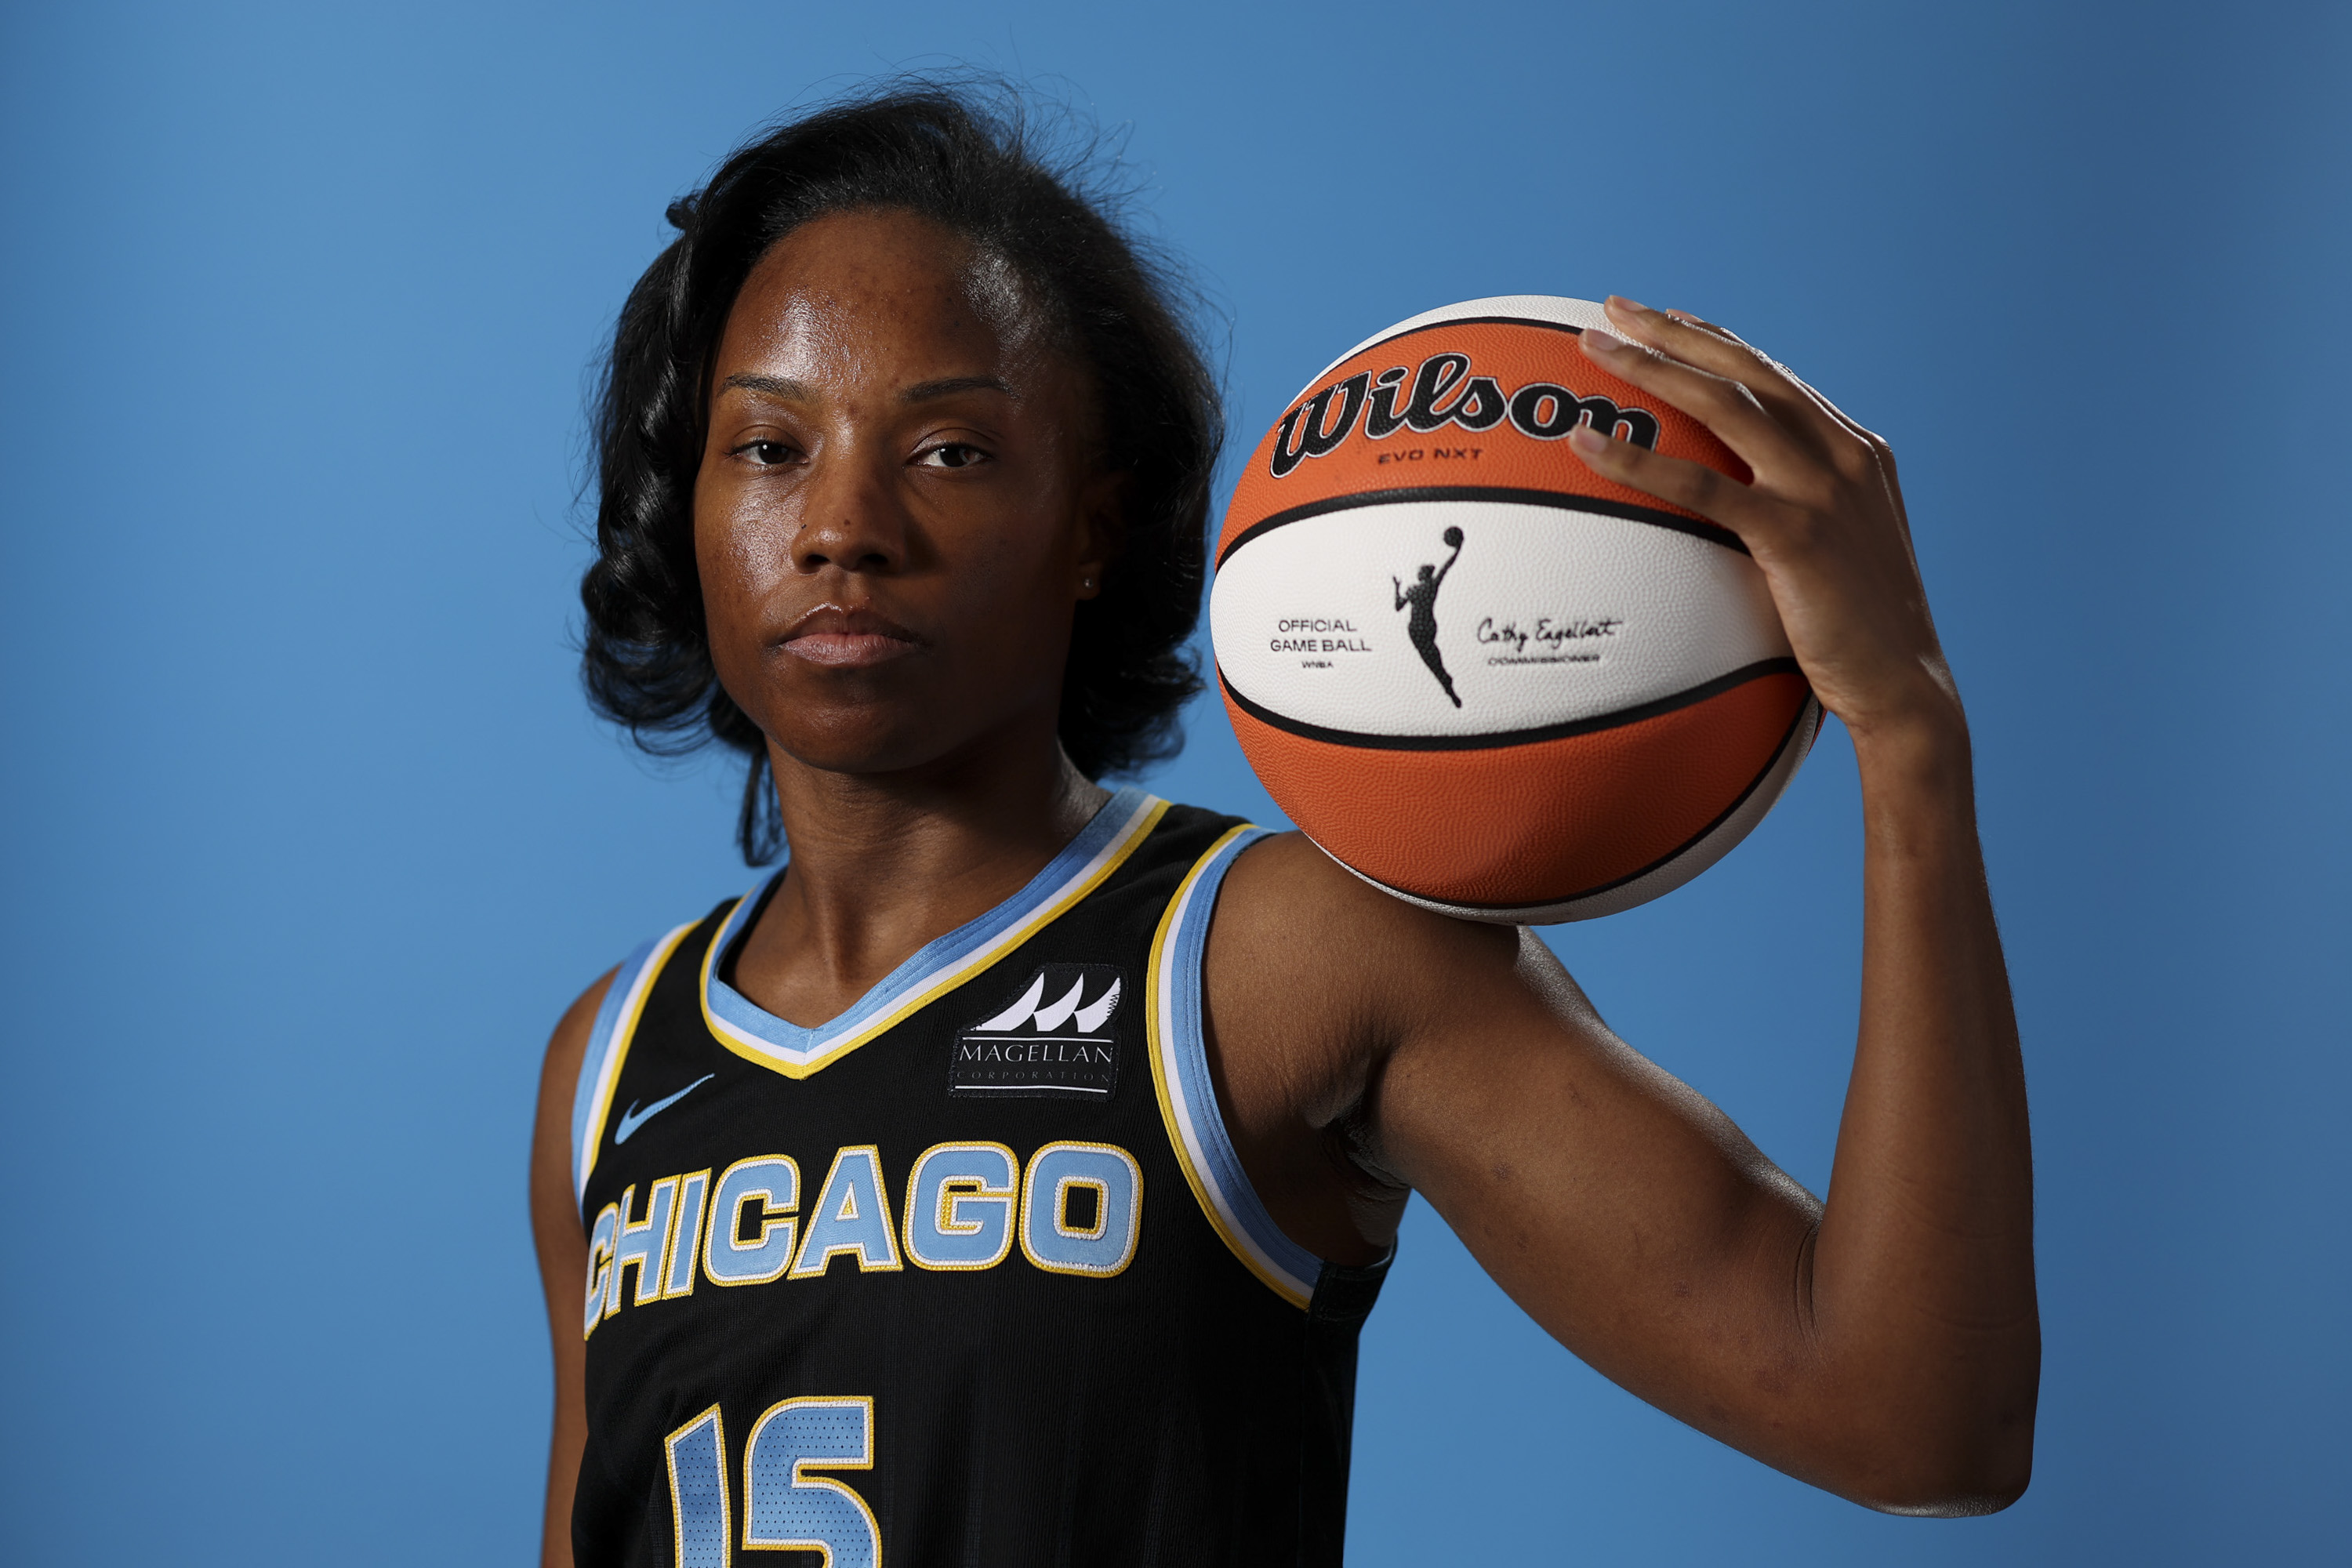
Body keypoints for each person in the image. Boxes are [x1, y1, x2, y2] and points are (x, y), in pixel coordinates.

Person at [528, 83, 2037, 1568]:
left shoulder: (1277, 960)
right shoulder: (610, 1067)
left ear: (1095, 530)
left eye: (951, 452)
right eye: (768, 447)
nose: (841, 527)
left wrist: (1909, 740)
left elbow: (1915, 1420)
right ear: (687, 504)